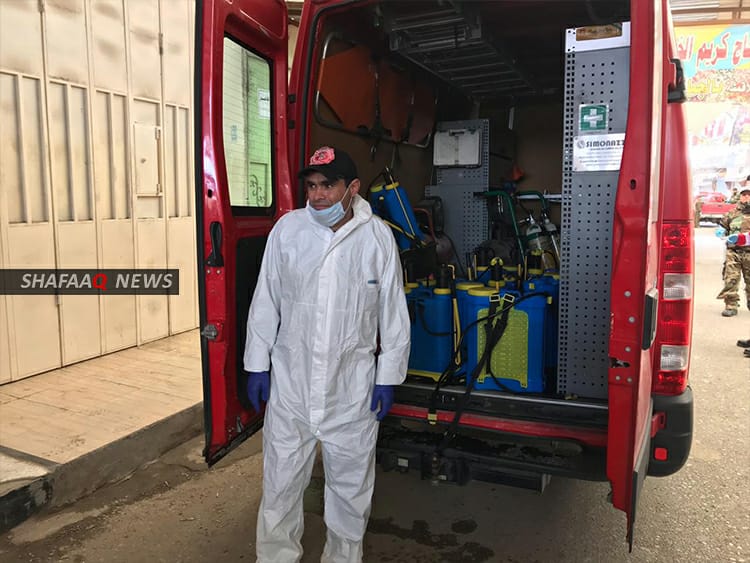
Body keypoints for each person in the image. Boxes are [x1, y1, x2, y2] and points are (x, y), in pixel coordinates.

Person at [243, 146, 411, 562]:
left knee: (350, 494)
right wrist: (257, 364)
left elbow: (392, 310)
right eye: (312, 186)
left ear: (352, 188)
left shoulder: (376, 237)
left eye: (328, 186)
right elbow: (266, 300)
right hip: (292, 385)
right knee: (280, 487)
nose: (317, 196)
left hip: (350, 391)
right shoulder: (289, 230)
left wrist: (388, 376)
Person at [716, 188, 750, 316]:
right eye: (744, 195)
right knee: (731, 279)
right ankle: (731, 305)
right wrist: (720, 231)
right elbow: (723, 226)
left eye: (749, 195)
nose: (746, 197)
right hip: (733, 251)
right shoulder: (732, 213)